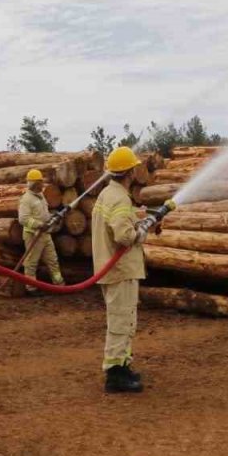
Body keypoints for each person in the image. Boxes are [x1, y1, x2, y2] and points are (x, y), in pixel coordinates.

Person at [90, 146, 152, 394]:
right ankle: (115, 374)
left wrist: (137, 217)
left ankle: (123, 365)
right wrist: (142, 231)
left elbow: (117, 221)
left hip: (114, 269)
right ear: (130, 171)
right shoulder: (119, 197)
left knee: (126, 320)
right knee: (120, 321)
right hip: (120, 270)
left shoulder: (109, 194)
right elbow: (123, 235)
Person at [17, 169, 64, 294]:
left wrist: (53, 218)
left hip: (45, 234)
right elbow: (23, 219)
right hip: (33, 236)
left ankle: (59, 284)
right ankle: (31, 288)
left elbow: (44, 214)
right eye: (39, 182)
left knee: (53, 259)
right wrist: (39, 225)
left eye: (41, 182)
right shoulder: (26, 199)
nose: (42, 185)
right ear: (33, 184)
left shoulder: (41, 196)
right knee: (31, 263)